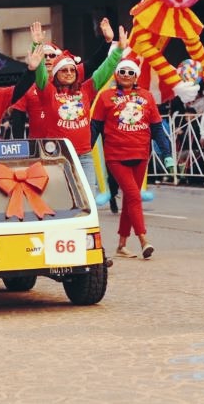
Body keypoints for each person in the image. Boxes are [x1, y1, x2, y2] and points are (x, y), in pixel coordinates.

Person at [91, 55, 172, 260]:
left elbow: (156, 127)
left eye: (130, 72)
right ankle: (144, 239)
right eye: (122, 72)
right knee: (134, 196)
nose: (126, 75)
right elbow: (95, 128)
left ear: (136, 76)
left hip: (141, 154)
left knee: (130, 199)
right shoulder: (104, 97)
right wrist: (82, 149)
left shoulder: (147, 96)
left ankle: (121, 244)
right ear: (116, 75)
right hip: (116, 156)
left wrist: (167, 153)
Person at [35, 25, 129, 197]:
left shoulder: (85, 90)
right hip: (58, 156)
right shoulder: (48, 92)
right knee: (63, 201)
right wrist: (37, 46)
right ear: (55, 74)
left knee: (88, 201)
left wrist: (118, 50)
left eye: (72, 70)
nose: (69, 73)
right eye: (64, 70)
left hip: (84, 155)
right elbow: (40, 74)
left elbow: (104, 70)